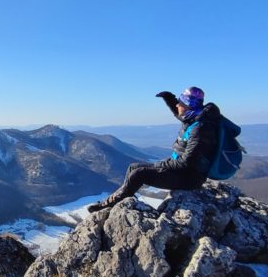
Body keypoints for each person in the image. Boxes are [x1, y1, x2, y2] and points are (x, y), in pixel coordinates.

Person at [87, 86, 221, 213]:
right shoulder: (194, 117)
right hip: (181, 170)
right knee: (133, 167)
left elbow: (186, 162)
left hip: (190, 178)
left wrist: (160, 164)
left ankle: (110, 204)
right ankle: (121, 198)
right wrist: (169, 98)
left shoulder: (200, 128)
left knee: (139, 174)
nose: (177, 105)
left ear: (188, 106)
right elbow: (180, 113)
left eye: (180, 103)